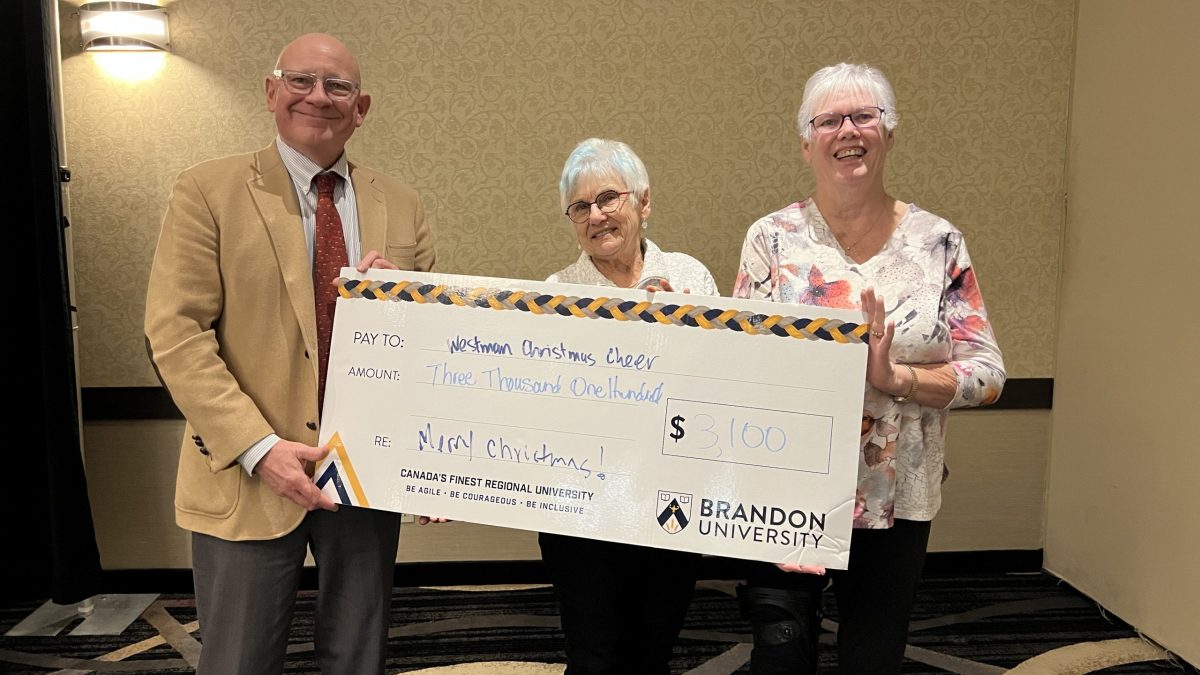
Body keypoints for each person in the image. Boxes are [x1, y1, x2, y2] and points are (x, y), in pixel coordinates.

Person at [144, 33, 435, 674]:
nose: (318, 97)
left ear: (361, 109)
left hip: (365, 475)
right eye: (301, 80)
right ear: (272, 91)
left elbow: (429, 347)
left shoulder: (403, 204)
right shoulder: (206, 191)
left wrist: (431, 457)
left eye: (337, 88)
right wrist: (259, 448)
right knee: (238, 660)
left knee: (358, 657)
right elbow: (176, 334)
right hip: (247, 472)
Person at [732, 63, 1005, 673]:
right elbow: (739, 368)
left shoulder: (939, 242)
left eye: (864, 116)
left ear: (889, 131)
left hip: (898, 495)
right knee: (780, 656)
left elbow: (988, 372)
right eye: (828, 120)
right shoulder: (771, 240)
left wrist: (898, 379)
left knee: (872, 659)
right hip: (788, 484)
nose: (846, 131)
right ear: (806, 143)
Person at [539, 138, 718, 674]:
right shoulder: (555, 293)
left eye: (608, 198)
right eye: (580, 207)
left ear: (643, 202)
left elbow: (721, 380)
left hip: (670, 497)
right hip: (582, 508)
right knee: (593, 655)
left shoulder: (691, 279)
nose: (596, 216)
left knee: (652, 651)